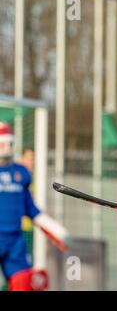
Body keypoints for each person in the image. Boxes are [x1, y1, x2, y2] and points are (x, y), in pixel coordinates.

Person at [0, 122, 68, 290]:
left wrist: (56, 230)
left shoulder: (21, 174)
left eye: (9, 143)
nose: (6, 148)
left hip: (15, 241)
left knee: (23, 283)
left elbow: (31, 209)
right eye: (2, 143)